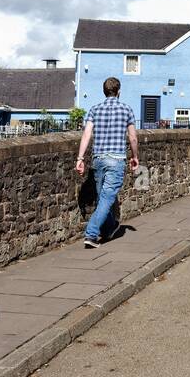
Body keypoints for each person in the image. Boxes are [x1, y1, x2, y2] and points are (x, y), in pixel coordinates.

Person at [76, 77, 139, 249]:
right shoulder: (126, 109)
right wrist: (135, 156)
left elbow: (87, 134)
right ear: (119, 91)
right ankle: (91, 234)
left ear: (104, 91)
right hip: (116, 160)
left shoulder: (95, 109)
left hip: (98, 159)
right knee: (105, 200)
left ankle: (111, 227)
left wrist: (80, 158)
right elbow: (132, 137)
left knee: (103, 199)